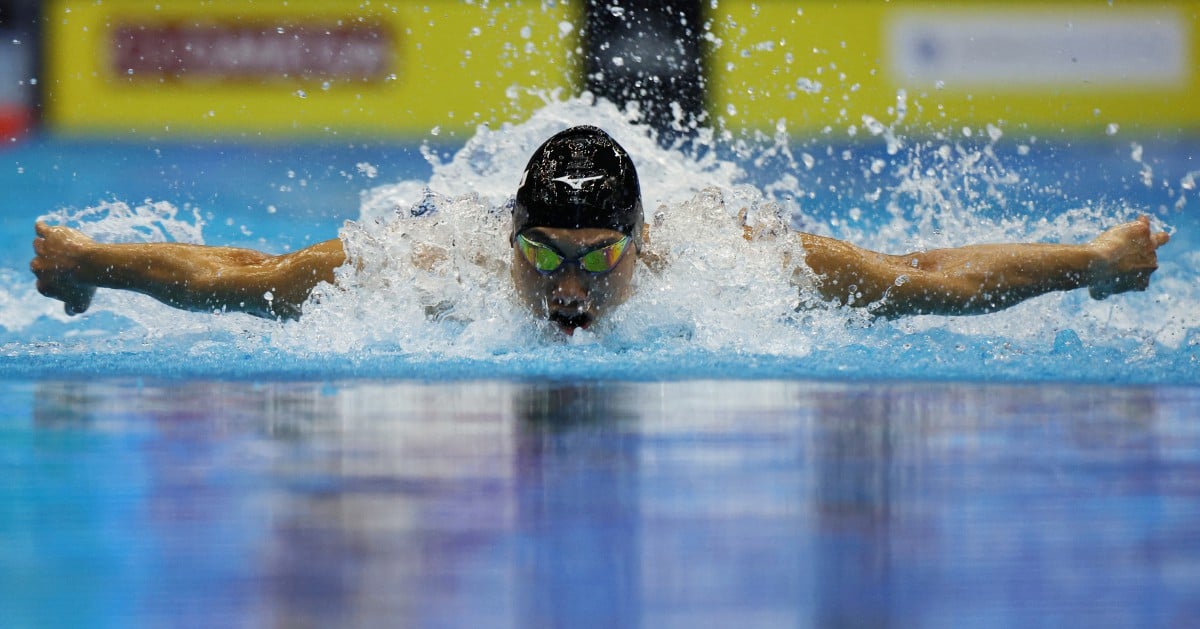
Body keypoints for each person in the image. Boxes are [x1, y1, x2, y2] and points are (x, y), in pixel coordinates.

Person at [31, 125, 1169, 335]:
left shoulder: (728, 255)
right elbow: (246, 272)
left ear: (639, 241)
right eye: (542, 254)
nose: (566, 285)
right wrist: (92, 265)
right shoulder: (432, 257)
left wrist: (1090, 266)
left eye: (593, 258)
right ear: (508, 234)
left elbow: (920, 278)